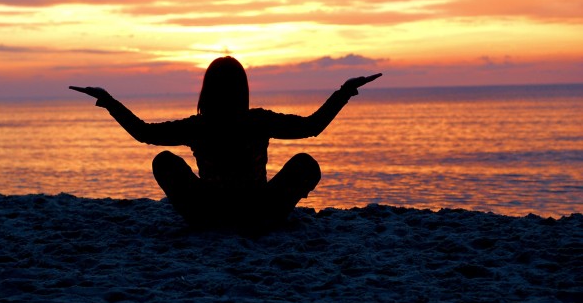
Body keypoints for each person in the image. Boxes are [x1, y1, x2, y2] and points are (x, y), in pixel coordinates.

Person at [70, 56, 381, 231]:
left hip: (208, 211)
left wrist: (108, 100)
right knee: (305, 164)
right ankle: (266, 219)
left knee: (163, 160)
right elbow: (312, 126)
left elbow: (144, 133)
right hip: (259, 211)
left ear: (208, 89)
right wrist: (345, 91)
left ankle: (210, 220)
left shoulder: (200, 125)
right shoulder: (258, 119)